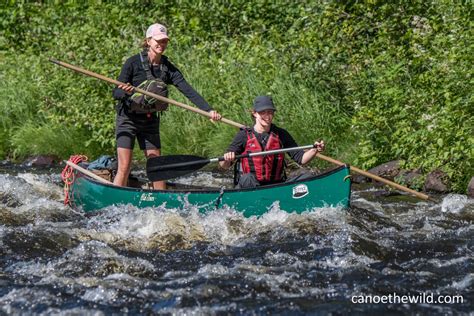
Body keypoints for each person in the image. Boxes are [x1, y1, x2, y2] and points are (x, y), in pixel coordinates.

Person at [113, 23, 221, 189]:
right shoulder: (132, 63)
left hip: (149, 121)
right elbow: (116, 93)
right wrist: (126, 92)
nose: (161, 44)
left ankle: (160, 205)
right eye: (158, 41)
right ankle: (115, 196)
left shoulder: (168, 68)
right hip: (127, 119)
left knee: (157, 168)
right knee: (125, 165)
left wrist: (208, 110)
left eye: (164, 41)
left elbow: (188, 90)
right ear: (148, 41)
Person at [219, 95, 325, 188]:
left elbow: (301, 159)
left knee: (307, 176)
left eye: (269, 112)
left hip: (277, 184)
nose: (267, 116)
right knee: (247, 178)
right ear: (255, 113)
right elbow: (224, 165)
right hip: (251, 186)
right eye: (262, 112)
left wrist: (314, 150)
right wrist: (227, 158)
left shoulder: (281, 134)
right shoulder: (243, 135)